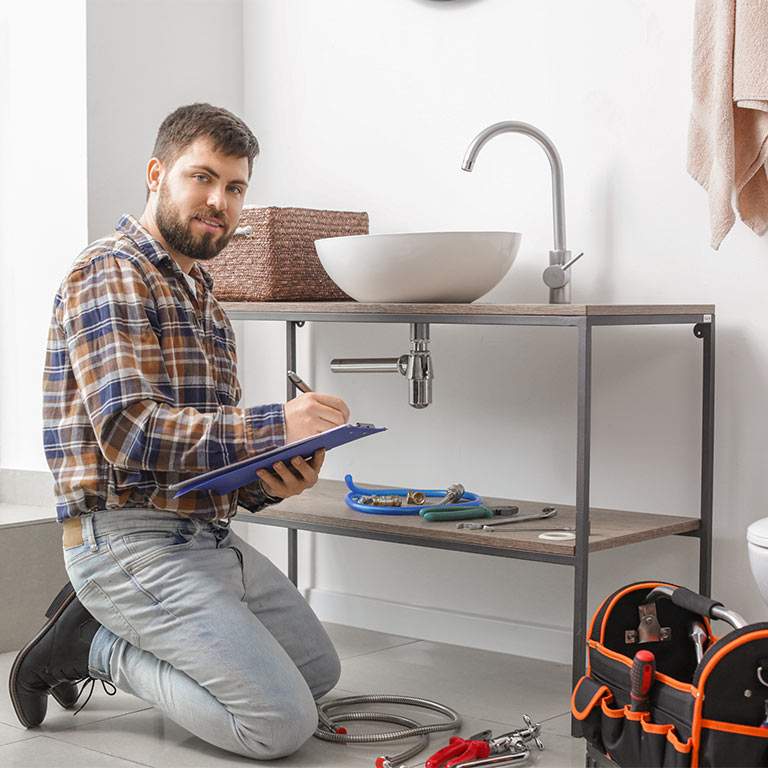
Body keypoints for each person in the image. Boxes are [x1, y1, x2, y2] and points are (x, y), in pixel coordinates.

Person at [9, 103, 350, 759]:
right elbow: (128, 429)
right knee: (277, 725)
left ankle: (124, 631)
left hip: (206, 534)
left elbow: (207, 456)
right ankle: (93, 645)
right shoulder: (111, 272)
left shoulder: (205, 300)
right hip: (125, 541)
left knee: (318, 675)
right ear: (156, 174)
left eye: (235, 187)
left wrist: (278, 474)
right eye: (203, 178)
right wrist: (276, 422)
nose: (218, 201)